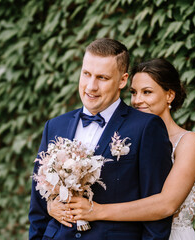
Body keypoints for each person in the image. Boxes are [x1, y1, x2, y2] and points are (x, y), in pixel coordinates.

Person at [29, 39, 173, 240]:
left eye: (102, 78)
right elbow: (38, 204)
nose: (91, 86)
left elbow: (157, 214)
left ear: (122, 81)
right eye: (86, 74)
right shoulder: (54, 126)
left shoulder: (146, 127)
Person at [48, 58, 195, 239]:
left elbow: (167, 204)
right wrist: (52, 204)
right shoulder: (131, 137)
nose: (137, 101)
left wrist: (97, 211)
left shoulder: (189, 141)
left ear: (169, 95)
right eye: (133, 92)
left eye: (147, 92)